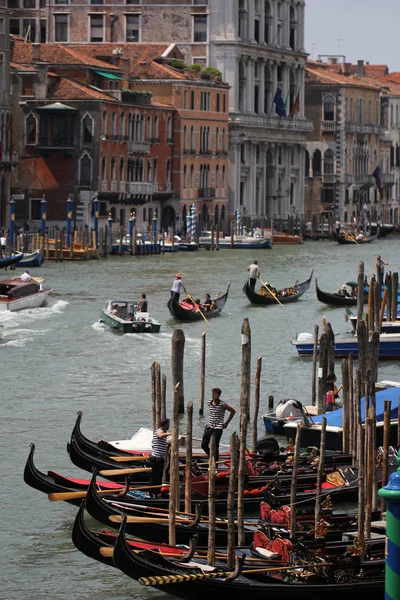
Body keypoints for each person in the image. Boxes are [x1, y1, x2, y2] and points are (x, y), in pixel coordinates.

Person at [201, 388, 236, 462]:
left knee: (215, 446)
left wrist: (226, 423)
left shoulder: (222, 404)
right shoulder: (209, 402)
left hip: (218, 427)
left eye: (215, 394)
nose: (213, 395)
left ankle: (215, 463)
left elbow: (233, 411)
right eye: (212, 393)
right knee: (203, 444)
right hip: (209, 426)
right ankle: (211, 457)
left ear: (218, 395)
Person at [148, 417, 171, 489]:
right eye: (168, 424)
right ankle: (151, 492)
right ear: (165, 425)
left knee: (158, 477)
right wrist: (169, 433)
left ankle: (157, 491)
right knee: (155, 477)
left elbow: (153, 440)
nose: (169, 426)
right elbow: (159, 435)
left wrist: (165, 444)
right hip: (156, 458)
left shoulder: (161, 432)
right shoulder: (159, 431)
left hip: (160, 459)